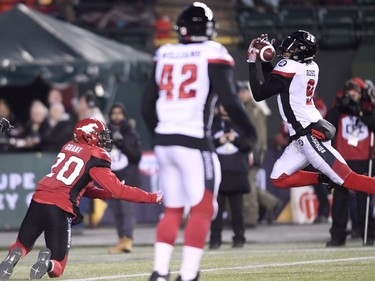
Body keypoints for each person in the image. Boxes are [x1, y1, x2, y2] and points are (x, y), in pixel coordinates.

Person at [142, 3, 257, 281]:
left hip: (164, 140)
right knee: (204, 208)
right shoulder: (212, 53)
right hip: (193, 141)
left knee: (172, 209)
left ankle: (159, 272)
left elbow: (147, 106)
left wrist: (159, 135)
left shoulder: (164, 53)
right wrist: (250, 133)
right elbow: (229, 99)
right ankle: (189, 273)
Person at [0, 117, 163, 280]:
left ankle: (13, 257)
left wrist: (107, 194)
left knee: (21, 245)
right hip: (60, 208)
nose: (102, 139)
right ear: (88, 135)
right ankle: (47, 263)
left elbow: (82, 188)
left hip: (38, 200)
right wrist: (152, 197)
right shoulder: (96, 156)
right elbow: (119, 190)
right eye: (100, 135)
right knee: (58, 267)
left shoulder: (68, 147)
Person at [247, 30, 375, 218]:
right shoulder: (311, 66)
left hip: (309, 136)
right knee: (278, 178)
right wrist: (265, 61)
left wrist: (252, 62)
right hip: (305, 133)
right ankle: (323, 177)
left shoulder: (290, 67)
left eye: (293, 48)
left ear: (301, 52)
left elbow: (260, 93)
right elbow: (274, 83)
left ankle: (331, 177)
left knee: (349, 179)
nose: (287, 51)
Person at [325, 77, 375, 247]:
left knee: (364, 201)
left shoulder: (368, 107)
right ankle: (337, 237)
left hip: (363, 159)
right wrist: (339, 107)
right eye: (349, 93)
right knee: (339, 201)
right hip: (343, 161)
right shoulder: (341, 109)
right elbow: (326, 124)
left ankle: (367, 234)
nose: (351, 96)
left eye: (355, 93)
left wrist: (361, 110)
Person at [237, 81, 280, 226]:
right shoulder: (243, 107)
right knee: (247, 183)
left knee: (248, 182)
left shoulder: (254, 109)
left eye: (244, 91)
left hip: (252, 151)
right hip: (245, 150)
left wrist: (257, 151)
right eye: (240, 92)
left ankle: (250, 219)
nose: (241, 94)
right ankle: (271, 203)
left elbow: (259, 134)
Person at [209, 104, 252, 249]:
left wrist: (235, 140)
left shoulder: (241, 123)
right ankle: (215, 240)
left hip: (237, 173)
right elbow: (204, 144)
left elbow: (249, 145)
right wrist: (218, 141)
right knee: (216, 211)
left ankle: (239, 239)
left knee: (238, 211)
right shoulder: (212, 124)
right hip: (219, 174)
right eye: (222, 105)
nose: (225, 108)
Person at [106, 103, 142, 254]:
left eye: (120, 113)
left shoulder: (131, 134)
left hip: (128, 177)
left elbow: (136, 157)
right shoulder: (104, 133)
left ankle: (127, 239)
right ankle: (122, 240)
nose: (116, 116)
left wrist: (122, 145)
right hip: (112, 178)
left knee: (127, 210)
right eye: (114, 113)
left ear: (124, 115)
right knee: (117, 211)